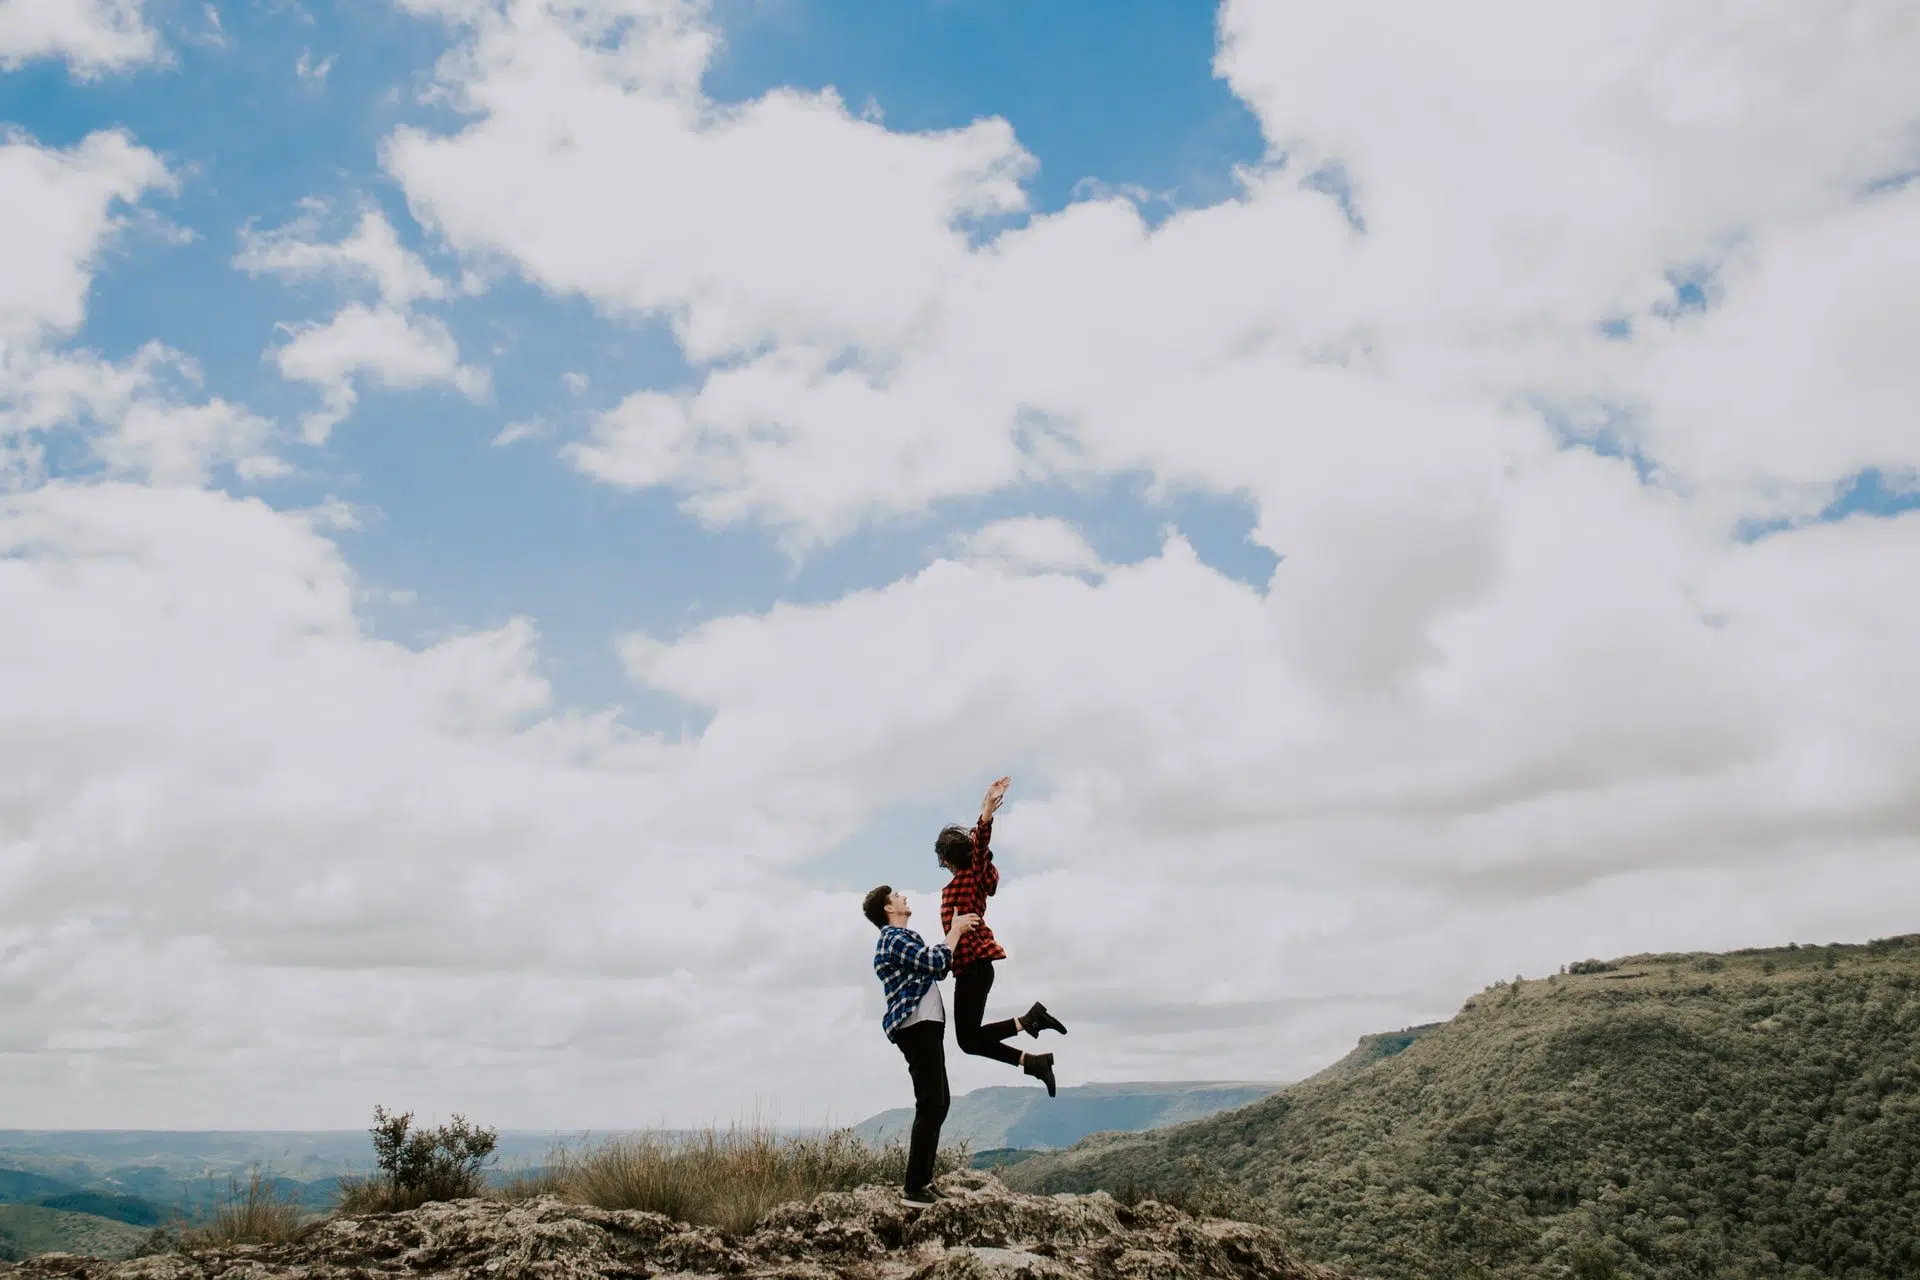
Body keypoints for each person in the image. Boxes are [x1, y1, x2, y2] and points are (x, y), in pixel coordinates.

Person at [938, 775, 1068, 1096]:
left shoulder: (969, 878)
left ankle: (1030, 1022)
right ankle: (1033, 1060)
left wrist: (987, 811)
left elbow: (980, 845)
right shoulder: (969, 880)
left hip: (974, 968)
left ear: (947, 859)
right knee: (970, 1040)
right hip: (972, 970)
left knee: (968, 1040)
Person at [863, 884, 978, 1207]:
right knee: (930, 1103)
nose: (903, 898)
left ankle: (923, 1181)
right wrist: (954, 931)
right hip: (916, 1025)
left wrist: (947, 946)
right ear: (888, 909)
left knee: (939, 1102)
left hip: (925, 1025)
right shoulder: (892, 938)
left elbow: (939, 967)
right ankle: (914, 1187)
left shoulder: (904, 938)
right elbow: (933, 960)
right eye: (897, 896)